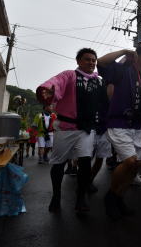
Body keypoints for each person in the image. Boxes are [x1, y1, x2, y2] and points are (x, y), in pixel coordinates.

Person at [37, 48, 102, 213]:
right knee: (58, 163)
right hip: (66, 127)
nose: (91, 63)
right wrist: (50, 91)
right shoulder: (69, 75)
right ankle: (56, 196)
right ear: (78, 61)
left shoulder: (98, 81)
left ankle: (80, 198)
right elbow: (56, 83)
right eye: (87, 59)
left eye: (94, 60)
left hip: (86, 129)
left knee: (85, 162)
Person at [96, 46, 141, 220]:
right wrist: (123, 51)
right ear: (138, 56)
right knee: (130, 162)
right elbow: (101, 62)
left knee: (136, 165)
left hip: (137, 127)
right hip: (119, 123)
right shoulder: (122, 71)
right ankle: (111, 196)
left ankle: (119, 198)